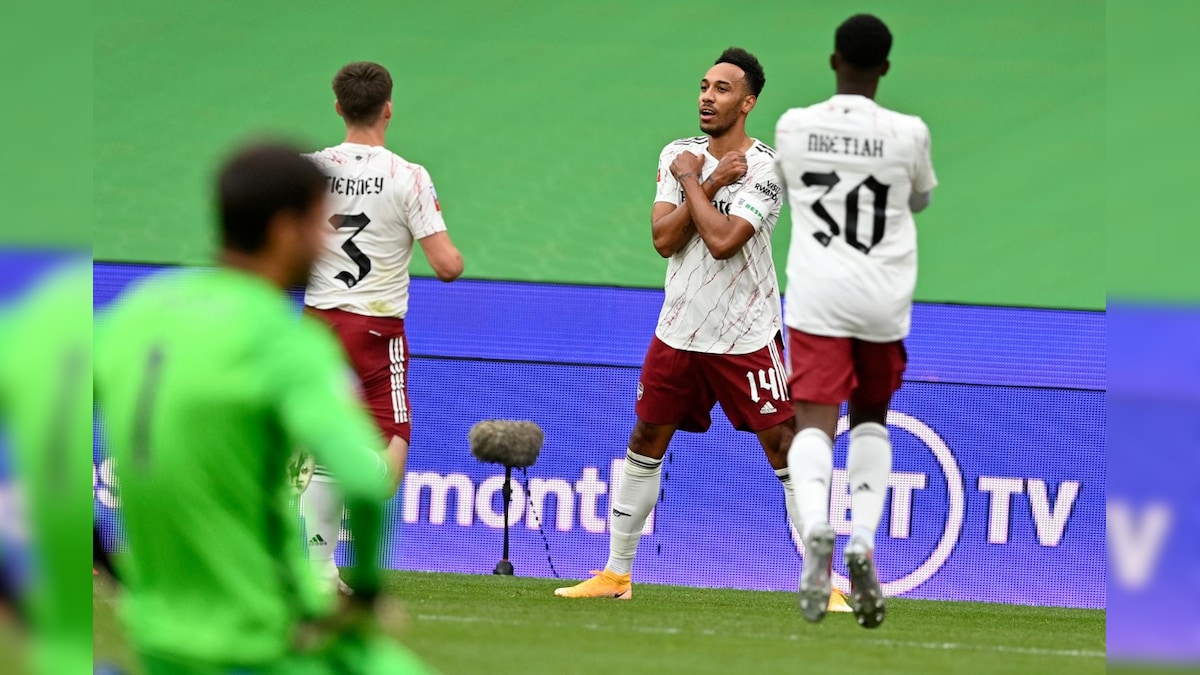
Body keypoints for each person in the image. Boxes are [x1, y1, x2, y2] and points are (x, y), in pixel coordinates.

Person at [94, 142, 431, 673]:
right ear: (284, 230)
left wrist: (101, 555)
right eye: (321, 224)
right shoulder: (284, 343)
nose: (328, 241)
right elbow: (366, 484)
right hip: (267, 644)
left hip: (156, 640)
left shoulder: (137, 312)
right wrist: (364, 596)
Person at [555, 48, 848, 613]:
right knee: (644, 441)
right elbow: (664, 239)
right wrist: (707, 181)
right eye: (704, 86)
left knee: (786, 449)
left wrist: (698, 185)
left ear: (748, 102)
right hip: (679, 330)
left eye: (721, 89)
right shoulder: (678, 155)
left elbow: (721, 241)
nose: (707, 97)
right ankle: (617, 574)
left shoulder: (766, 168)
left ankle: (823, 582)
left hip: (745, 334)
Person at [774, 14, 938, 628]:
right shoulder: (909, 132)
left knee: (814, 418)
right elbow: (919, 197)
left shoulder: (793, 125)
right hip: (883, 297)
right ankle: (862, 538)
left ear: (833, 60)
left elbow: (794, 183)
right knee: (870, 417)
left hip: (818, 293)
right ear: (885, 69)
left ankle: (816, 527)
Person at [301, 62, 464, 595]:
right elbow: (446, 265)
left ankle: (318, 571)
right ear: (388, 108)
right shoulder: (408, 176)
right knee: (391, 447)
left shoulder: (309, 172)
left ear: (338, 107)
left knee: (319, 443)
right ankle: (322, 557)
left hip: (315, 325)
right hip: (374, 332)